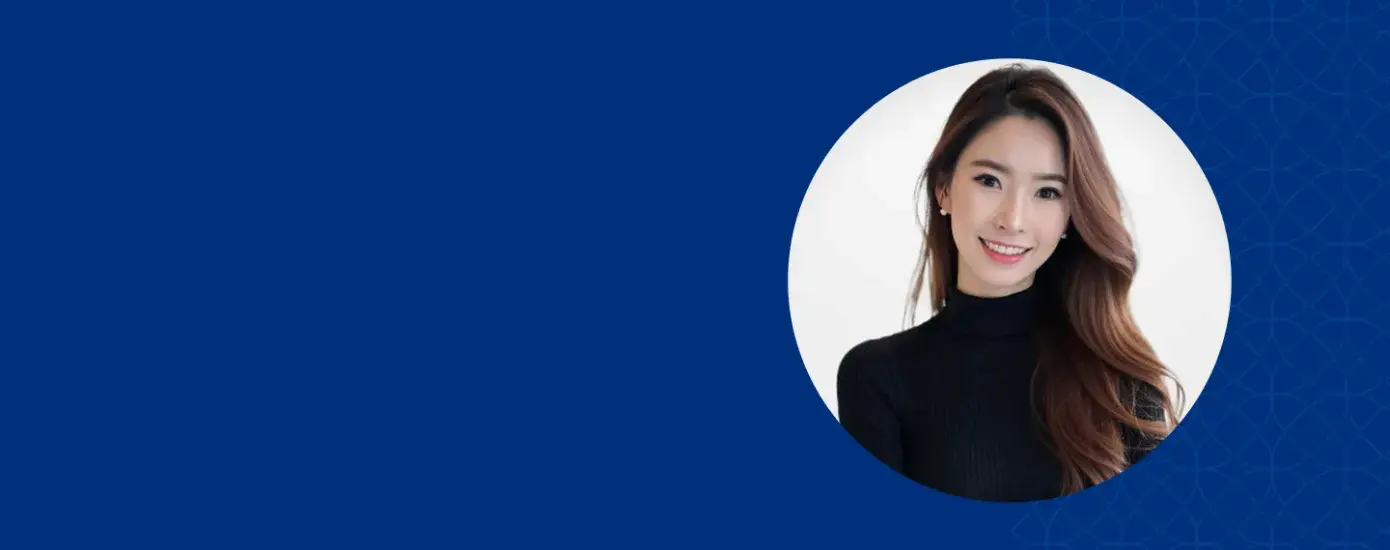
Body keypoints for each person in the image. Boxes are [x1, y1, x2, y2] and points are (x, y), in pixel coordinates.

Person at [836, 64, 1185, 502]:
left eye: (1047, 193)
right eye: (989, 181)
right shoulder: (876, 378)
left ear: (1070, 217)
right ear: (944, 188)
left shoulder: (1120, 384)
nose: (1012, 220)